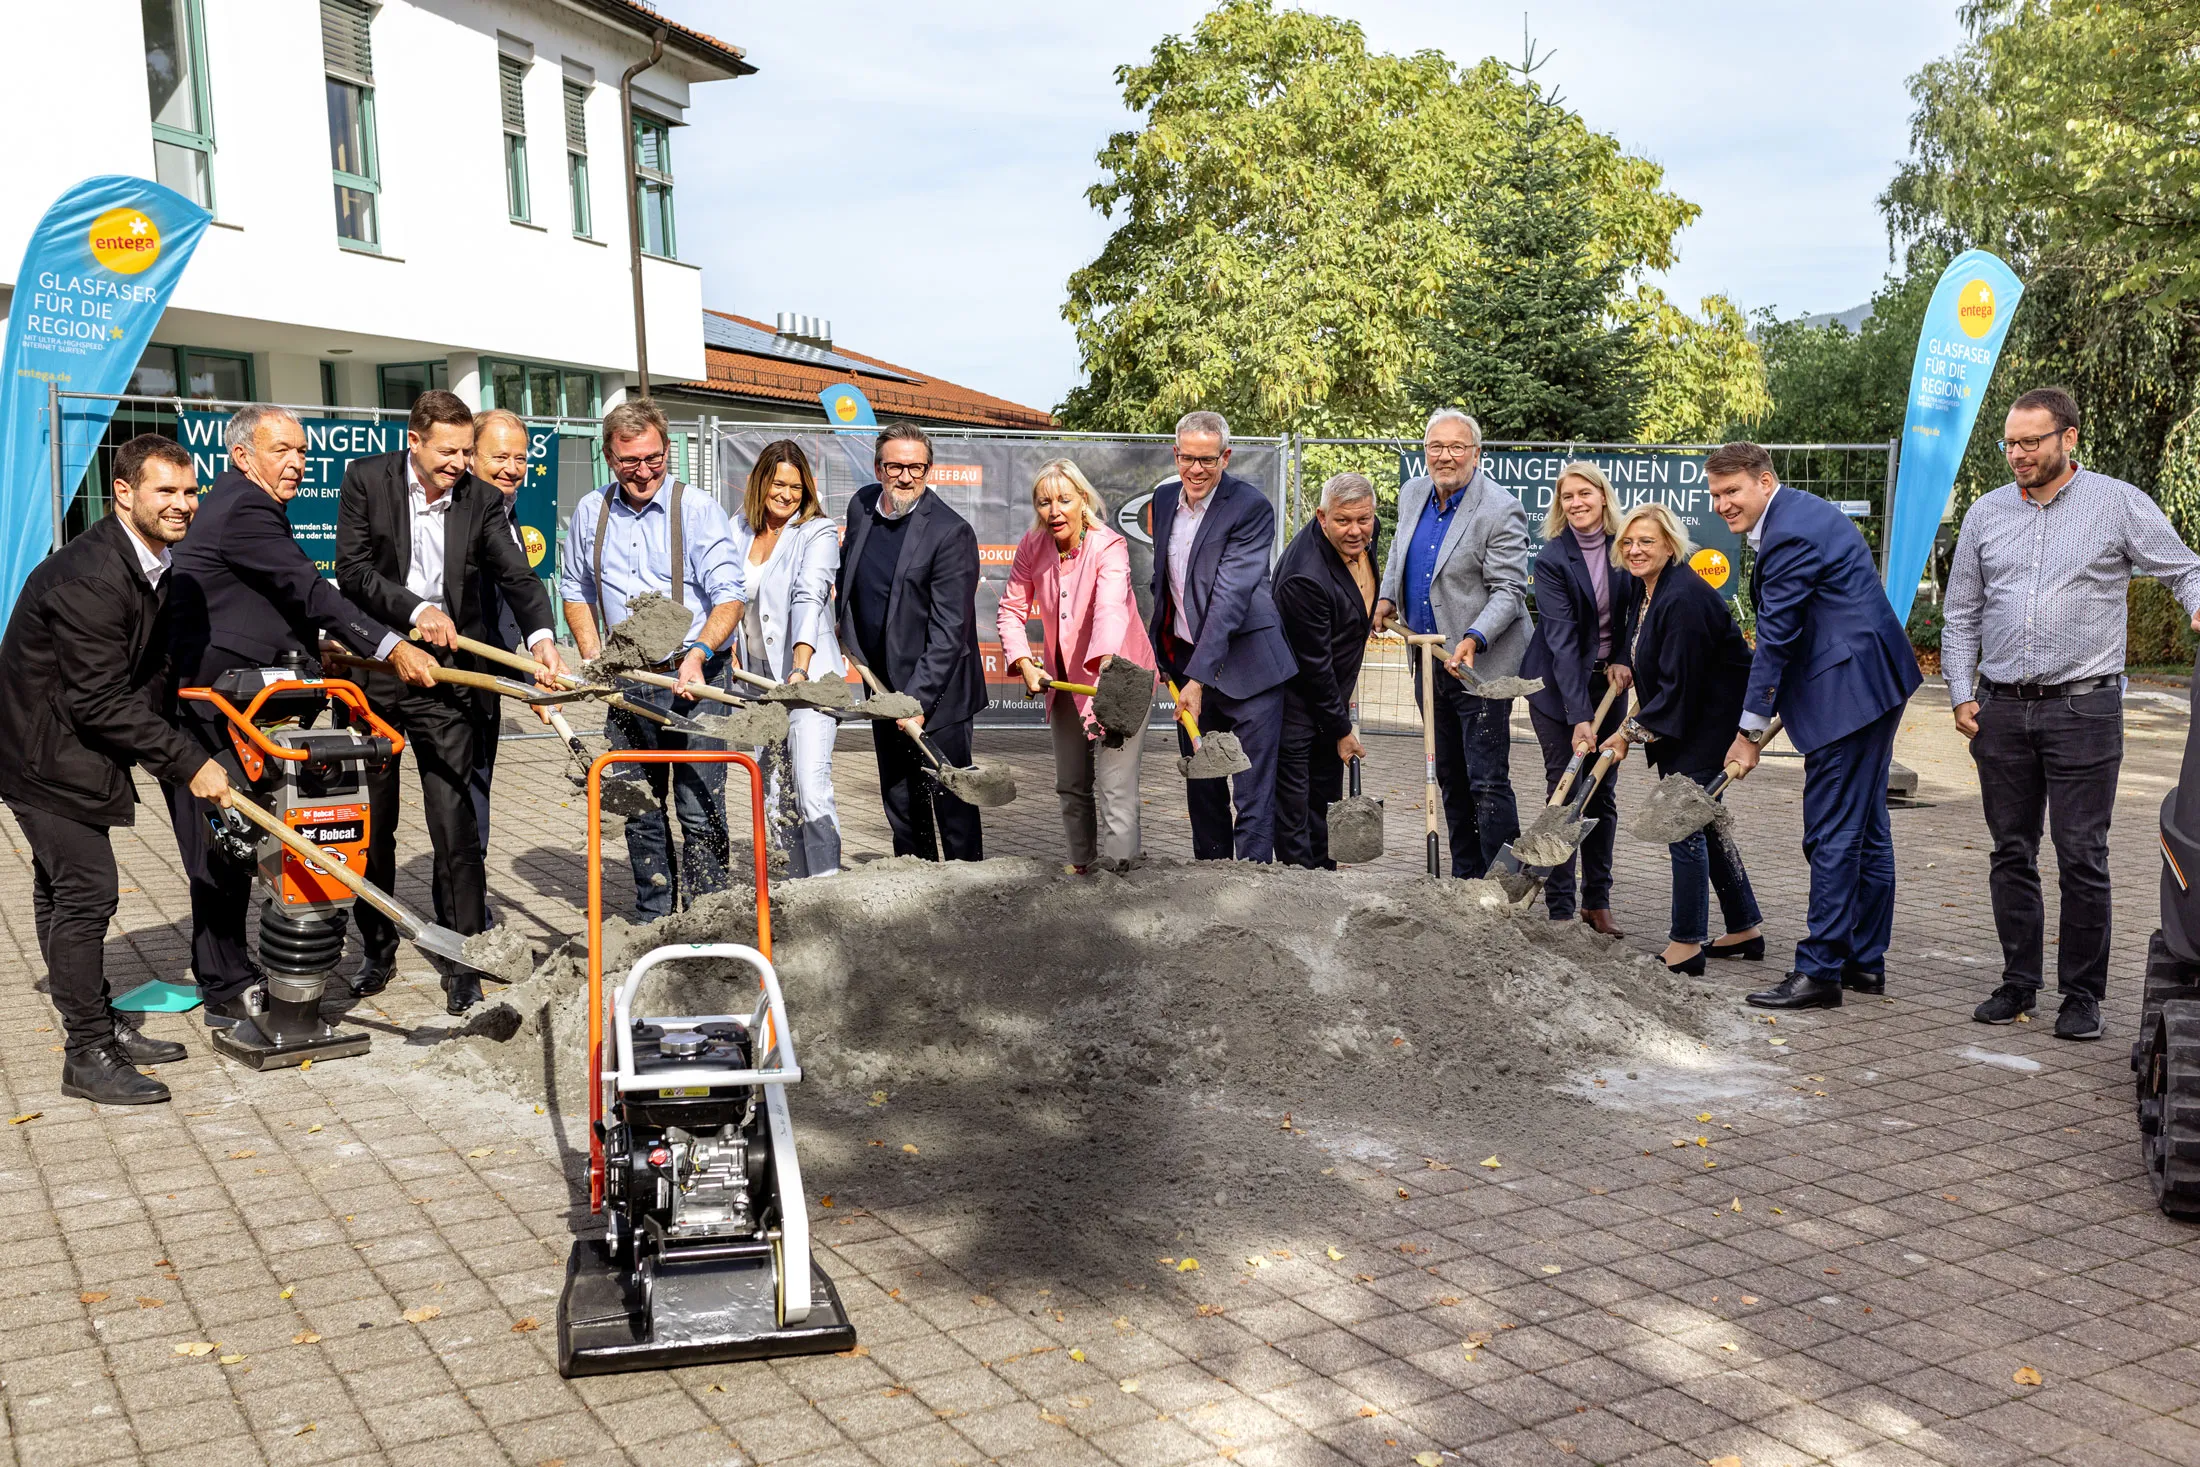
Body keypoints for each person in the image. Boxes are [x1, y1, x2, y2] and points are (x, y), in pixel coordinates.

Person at [166, 405, 439, 1028]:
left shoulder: (246, 505)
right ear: (242, 456)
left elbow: (266, 595)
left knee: (238, 842)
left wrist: (316, 647)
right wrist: (392, 644)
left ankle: (235, 973)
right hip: (207, 708)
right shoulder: (244, 507)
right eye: (283, 450)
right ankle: (226, 986)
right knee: (218, 847)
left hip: (239, 701)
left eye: (303, 452)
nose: (297, 463)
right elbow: (308, 588)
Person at [1944, 387, 2200, 1039]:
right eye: (2009, 442)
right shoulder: (1986, 512)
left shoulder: (2117, 503)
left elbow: (2184, 569)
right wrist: (1959, 690)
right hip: (2001, 709)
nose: (2018, 454)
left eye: (2031, 441)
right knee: (2011, 850)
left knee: (2082, 852)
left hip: (2084, 709)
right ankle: (2018, 982)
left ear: (2069, 438)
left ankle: (2082, 996)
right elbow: (1961, 611)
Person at [0, 437, 233, 1104]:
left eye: (190, 491)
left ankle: (97, 1020)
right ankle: (87, 1052)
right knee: (88, 889)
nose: (182, 505)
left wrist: (175, 742)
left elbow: (146, 669)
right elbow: (97, 697)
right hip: (40, 750)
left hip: (67, 740)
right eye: (165, 491)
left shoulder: (151, 560)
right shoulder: (94, 576)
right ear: (122, 493)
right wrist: (187, 762)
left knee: (62, 883)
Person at [335, 390, 562, 1013]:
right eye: (448, 451)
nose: (460, 464)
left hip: (450, 675)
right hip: (376, 665)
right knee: (373, 827)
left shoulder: (482, 500)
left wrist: (542, 640)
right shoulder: (366, 481)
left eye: (467, 452)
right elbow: (352, 572)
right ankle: (376, 949)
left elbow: (518, 576)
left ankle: (464, 958)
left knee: (454, 822)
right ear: (415, 441)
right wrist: (416, 610)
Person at [1711, 441, 1922, 1010]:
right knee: (1866, 827)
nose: (1723, 505)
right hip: (1869, 683)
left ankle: (1821, 969)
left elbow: (1776, 639)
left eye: (1732, 491)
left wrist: (1748, 734)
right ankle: (1863, 960)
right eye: (1715, 495)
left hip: (1848, 693)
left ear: (1764, 480)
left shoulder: (1791, 533)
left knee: (1830, 832)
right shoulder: (1793, 514)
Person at [560, 398, 746, 918]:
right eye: (629, 461)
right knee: (639, 806)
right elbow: (574, 588)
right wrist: (596, 657)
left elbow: (729, 594)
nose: (643, 472)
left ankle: (711, 917)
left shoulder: (698, 510)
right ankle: (654, 916)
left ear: (667, 451)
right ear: (609, 458)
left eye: (653, 458)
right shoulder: (591, 511)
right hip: (626, 681)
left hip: (695, 677)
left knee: (699, 804)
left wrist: (699, 653)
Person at [1599, 503, 1762, 975]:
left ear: (1670, 545)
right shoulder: (1644, 589)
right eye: (1628, 542)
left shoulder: (1684, 597)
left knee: (1681, 824)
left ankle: (1687, 944)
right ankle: (1745, 926)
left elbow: (1677, 688)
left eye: (1646, 541)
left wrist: (1626, 733)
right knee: (1704, 821)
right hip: (1686, 719)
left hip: (1709, 723)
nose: (1635, 550)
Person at [1374, 409, 1530, 878]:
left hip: (1477, 666)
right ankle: (1466, 880)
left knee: (1486, 780)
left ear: (1476, 454)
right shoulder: (1413, 493)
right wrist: (1385, 597)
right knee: (1449, 776)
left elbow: (1509, 589)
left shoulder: (1498, 508)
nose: (1445, 456)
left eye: (1456, 447)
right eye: (1436, 447)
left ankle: (1505, 883)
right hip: (1427, 658)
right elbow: (1398, 552)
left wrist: (1474, 638)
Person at [1147, 410, 1297, 862]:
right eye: (1188, 458)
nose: (1196, 469)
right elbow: (1165, 584)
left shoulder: (1251, 508)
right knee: (1204, 789)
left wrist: (1198, 680)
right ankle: (1211, 892)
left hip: (1250, 671)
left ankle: (1251, 897)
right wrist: (1165, 657)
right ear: (1176, 454)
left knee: (1252, 796)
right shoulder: (1164, 499)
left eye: (1207, 460)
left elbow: (1230, 598)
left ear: (1226, 457)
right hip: (1190, 668)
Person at [836, 423, 987, 861]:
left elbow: (949, 629)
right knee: (901, 800)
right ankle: (916, 887)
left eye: (916, 468)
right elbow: (851, 574)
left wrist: (916, 699)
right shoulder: (862, 505)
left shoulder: (949, 532)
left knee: (952, 801)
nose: (905, 477)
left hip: (938, 693)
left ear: (929, 469)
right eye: (895, 467)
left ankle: (967, 893)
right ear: (878, 467)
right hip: (881, 684)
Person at [999, 457, 1155, 873]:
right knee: (1071, 784)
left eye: (1063, 500)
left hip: (1119, 679)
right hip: (1065, 681)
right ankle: (1081, 870)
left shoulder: (1109, 546)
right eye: (1043, 502)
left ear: (1082, 501)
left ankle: (1122, 877)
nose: (1053, 512)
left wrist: (1105, 661)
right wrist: (1022, 660)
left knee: (1115, 787)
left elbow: (1110, 608)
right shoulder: (1032, 546)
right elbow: (1011, 609)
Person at [1521, 462, 1639, 933]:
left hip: (1608, 684)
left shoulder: (1625, 547)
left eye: (1584, 493)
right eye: (1567, 496)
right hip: (1557, 688)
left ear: (1603, 496)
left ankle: (1597, 902)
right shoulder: (1552, 559)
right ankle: (1561, 908)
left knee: (1603, 792)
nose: (1576, 503)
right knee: (1566, 792)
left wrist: (1624, 656)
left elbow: (1636, 610)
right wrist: (1579, 716)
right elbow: (1563, 640)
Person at [732, 441, 846, 877]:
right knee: (773, 792)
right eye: (778, 483)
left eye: (795, 486)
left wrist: (799, 666)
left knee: (810, 788)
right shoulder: (738, 527)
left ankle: (825, 887)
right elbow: (724, 592)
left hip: (808, 680)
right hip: (758, 683)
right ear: (760, 482)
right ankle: (793, 888)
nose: (786, 494)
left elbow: (808, 595)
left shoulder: (815, 531)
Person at [1272, 472, 1379, 869]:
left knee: (1326, 803)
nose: (1356, 531)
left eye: (1363, 519)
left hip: (1329, 694)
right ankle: (1297, 895)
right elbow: (1313, 668)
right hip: (1295, 705)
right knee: (1295, 813)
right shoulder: (1305, 578)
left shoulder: (1367, 531)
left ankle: (1326, 886)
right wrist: (1342, 730)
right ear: (1321, 517)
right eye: (1343, 521)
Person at [463, 408, 544, 854]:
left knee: (479, 790)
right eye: (499, 457)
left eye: (520, 458)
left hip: (492, 673)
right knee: (461, 797)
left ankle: (473, 905)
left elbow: (518, 593)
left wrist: (532, 672)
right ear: (471, 456)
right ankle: (463, 910)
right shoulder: (460, 514)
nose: (512, 468)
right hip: (455, 674)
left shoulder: (509, 512)